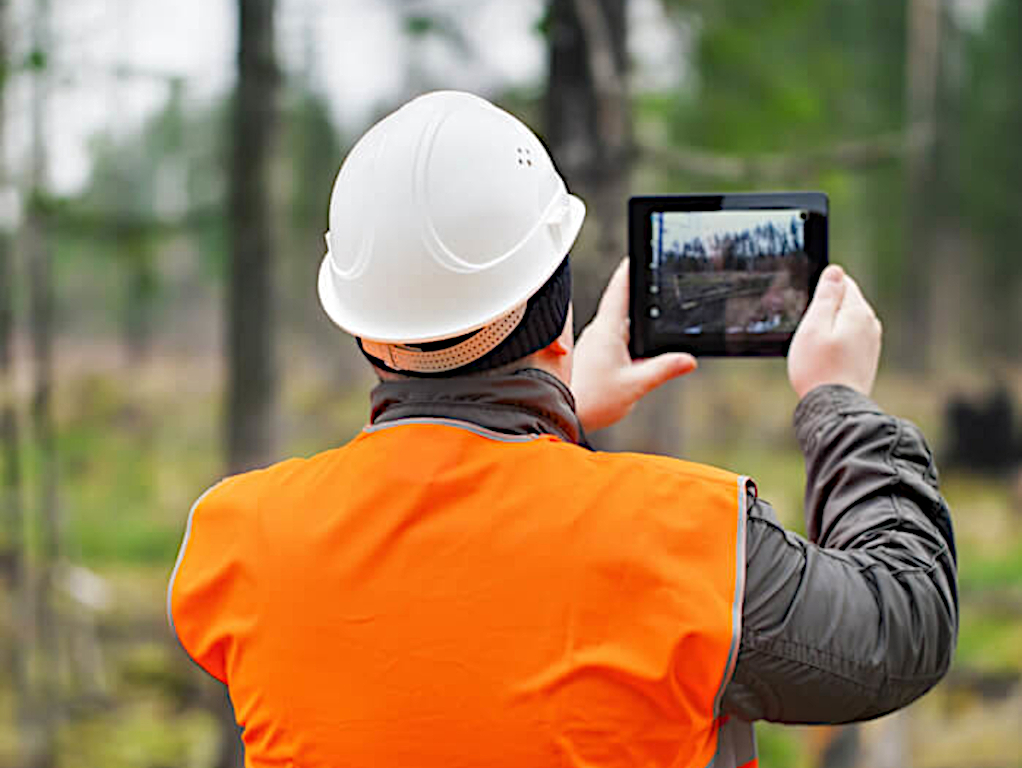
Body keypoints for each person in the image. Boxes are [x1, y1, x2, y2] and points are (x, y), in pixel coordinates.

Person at [167, 92, 957, 768]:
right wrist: (838, 399)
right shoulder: (690, 539)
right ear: (556, 310)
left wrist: (555, 410)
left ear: (365, 330)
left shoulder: (238, 540)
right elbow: (904, 622)